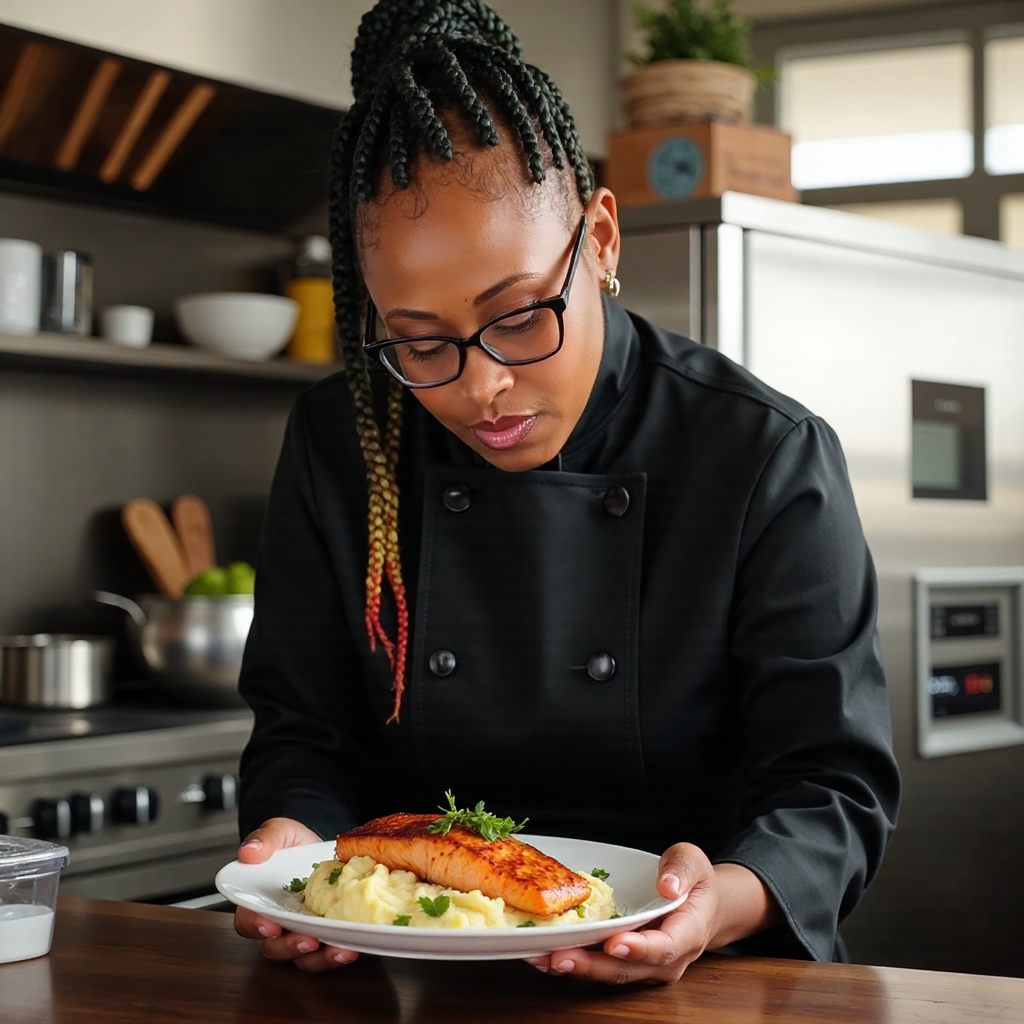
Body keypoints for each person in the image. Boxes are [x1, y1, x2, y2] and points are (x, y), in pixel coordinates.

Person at [233, 0, 900, 985]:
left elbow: (829, 785)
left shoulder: (761, 453)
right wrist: (293, 844)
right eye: (420, 342)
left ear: (599, 236)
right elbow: (305, 731)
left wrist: (720, 898)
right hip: (415, 977)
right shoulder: (345, 439)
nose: (479, 385)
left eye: (514, 318)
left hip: (711, 981)